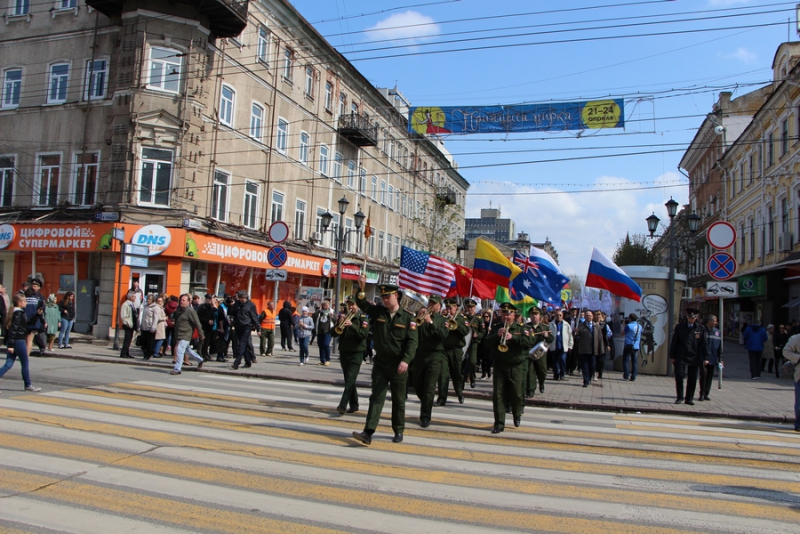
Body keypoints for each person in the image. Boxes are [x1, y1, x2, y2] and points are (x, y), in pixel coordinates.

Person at [352, 277, 418, 446]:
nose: (385, 299)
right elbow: (362, 304)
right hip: (381, 363)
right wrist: (362, 288)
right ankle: (368, 432)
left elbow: (412, 342)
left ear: (397, 296)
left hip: (398, 365)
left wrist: (406, 361)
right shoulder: (379, 312)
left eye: (388, 296)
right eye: (383, 297)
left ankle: (398, 429)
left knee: (398, 400)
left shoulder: (408, 318)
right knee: (376, 398)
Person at [487, 302, 535, 433]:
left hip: (516, 366)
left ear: (514, 315)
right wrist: (497, 336)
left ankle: (517, 413)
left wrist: (512, 337)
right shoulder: (496, 327)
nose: (506, 316)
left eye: (509, 314)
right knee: (498, 396)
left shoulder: (522, 328)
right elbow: (486, 343)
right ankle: (499, 423)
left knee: (516, 394)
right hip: (500, 365)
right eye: (504, 313)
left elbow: (530, 341)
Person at [411, 295, 449, 427]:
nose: (431, 305)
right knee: (417, 384)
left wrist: (430, 322)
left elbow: (444, 335)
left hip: (435, 356)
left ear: (439, 306)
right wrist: (417, 316)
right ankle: (427, 401)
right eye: (430, 303)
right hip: (420, 355)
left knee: (429, 387)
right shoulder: (420, 315)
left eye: (434, 303)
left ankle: (425, 416)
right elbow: (412, 330)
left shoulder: (442, 320)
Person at [331, 295, 369, 414]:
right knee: (349, 380)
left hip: (356, 353)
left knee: (350, 380)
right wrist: (338, 323)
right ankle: (354, 404)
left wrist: (351, 325)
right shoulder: (343, 317)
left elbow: (363, 334)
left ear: (358, 305)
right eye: (349, 304)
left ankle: (342, 405)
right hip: (344, 352)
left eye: (353, 304)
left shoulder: (363, 318)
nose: (351, 307)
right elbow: (333, 334)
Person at [0, 293, 42, 392]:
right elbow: (13, 330)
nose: (26, 303)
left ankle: (28, 385)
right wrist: (10, 345)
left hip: (15, 341)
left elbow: (27, 325)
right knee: (25, 363)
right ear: (19, 303)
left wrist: (37, 315)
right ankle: (28, 385)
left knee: (8, 364)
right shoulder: (18, 313)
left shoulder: (16, 312)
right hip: (18, 341)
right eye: (25, 301)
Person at [669, 307, 707, 405]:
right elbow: (674, 342)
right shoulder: (680, 327)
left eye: (693, 317)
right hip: (681, 355)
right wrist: (672, 356)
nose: (691, 319)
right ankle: (679, 397)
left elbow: (704, 344)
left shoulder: (700, 328)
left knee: (693, 378)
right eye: (690, 317)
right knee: (679, 376)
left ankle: (689, 398)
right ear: (687, 316)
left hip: (694, 356)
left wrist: (706, 357)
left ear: (696, 317)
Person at [437, 298, 470, 406]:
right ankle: (442, 398)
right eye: (447, 307)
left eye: (450, 307)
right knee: (443, 374)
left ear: (456, 307)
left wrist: (455, 324)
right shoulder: (442, 318)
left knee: (456, 374)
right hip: (444, 350)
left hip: (456, 350)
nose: (448, 310)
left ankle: (459, 393)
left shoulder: (462, 319)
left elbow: (465, 331)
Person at [170, 294, 204, 375]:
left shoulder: (190, 311)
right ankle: (200, 360)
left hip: (186, 334)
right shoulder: (180, 310)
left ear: (189, 302)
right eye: (181, 300)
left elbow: (197, 323)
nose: (181, 302)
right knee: (187, 351)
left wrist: (201, 334)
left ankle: (177, 369)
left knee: (179, 350)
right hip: (179, 334)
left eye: (183, 300)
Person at [574, 310, 606, 388]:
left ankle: (590, 377)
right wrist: (575, 332)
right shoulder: (581, 326)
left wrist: (601, 349)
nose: (588, 317)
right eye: (587, 315)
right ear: (584, 317)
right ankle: (586, 380)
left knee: (592, 366)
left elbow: (600, 338)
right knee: (584, 366)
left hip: (593, 350)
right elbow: (576, 336)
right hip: (584, 349)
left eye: (590, 315)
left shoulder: (596, 326)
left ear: (592, 316)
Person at [230, 290, 260, 370]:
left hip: (247, 326)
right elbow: (233, 313)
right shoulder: (237, 304)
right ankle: (248, 362)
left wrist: (258, 328)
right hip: (238, 326)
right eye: (240, 298)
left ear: (246, 298)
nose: (242, 299)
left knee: (241, 345)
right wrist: (232, 319)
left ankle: (237, 362)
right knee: (244, 345)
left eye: (243, 298)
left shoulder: (251, 305)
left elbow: (254, 317)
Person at [526, 307, 552, 396]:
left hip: (540, 354)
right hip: (530, 353)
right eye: (532, 314)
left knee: (542, 371)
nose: (534, 316)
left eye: (536, 314)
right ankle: (530, 390)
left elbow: (551, 339)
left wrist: (547, 336)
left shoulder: (544, 327)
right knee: (530, 372)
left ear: (539, 316)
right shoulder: (526, 327)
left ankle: (541, 383)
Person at [462, 299, 485, 389]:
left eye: (472, 307)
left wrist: (477, 335)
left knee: (472, 362)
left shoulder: (479, 319)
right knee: (462, 362)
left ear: (475, 308)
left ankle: (472, 378)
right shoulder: (464, 318)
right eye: (468, 307)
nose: (470, 308)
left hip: (473, 343)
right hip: (464, 342)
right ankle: (463, 381)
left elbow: (483, 331)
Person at [780, 332, 800, 432]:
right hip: (799, 375)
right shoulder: (796, 338)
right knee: (799, 402)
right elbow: (786, 351)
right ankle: (799, 423)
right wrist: (798, 358)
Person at [699, 314, 722, 401]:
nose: (716, 322)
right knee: (703, 375)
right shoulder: (702, 330)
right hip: (703, 358)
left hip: (713, 358)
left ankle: (706, 393)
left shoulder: (717, 332)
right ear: (709, 321)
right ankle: (701, 393)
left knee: (710, 377)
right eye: (714, 321)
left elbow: (719, 346)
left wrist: (720, 358)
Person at [24, 278, 46, 357]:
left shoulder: (40, 297)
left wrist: (43, 321)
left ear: (39, 287)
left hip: (35, 320)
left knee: (30, 339)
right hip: (25, 319)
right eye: (33, 285)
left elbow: (42, 310)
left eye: (36, 285)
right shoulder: (26, 294)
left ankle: (26, 355)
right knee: (25, 339)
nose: (34, 286)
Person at [549, 308, 573, 381]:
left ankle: (562, 374)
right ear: (555, 316)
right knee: (555, 361)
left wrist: (570, 345)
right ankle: (556, 375)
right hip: (554, 346)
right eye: (557, 315)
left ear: (563, 316)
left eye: (560, 315)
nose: (559, 316)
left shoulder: (566, 325)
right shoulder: (551, 324)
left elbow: (570, 335)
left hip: (563, 346)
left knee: (563, 359)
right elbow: (548, 335)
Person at [196, 294, 217, 362]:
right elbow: (199, 317)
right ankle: (200, 353)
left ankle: (205, 353)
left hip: (209, 327)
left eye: (211, 299)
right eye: (209, 299)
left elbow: (215, 309)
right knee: (202, 341)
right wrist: (207, 321)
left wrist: (213, 302)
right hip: (203, 326)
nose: (210, 300)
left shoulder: (210, 307)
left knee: (207, 341)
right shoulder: (202, 307)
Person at [622, 313, 643, 381]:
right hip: (636, 346)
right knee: (634, 362)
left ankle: (626, 375)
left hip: (628, 345)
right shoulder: (639, 326)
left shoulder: (628, 326)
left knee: (626, 361)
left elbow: (622, 333)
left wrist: (624, 325)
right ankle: (633, 376)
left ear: (630, 318)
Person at [312, 300, 333, 366]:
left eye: (327, 305)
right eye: (325, 305)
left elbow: (335, 320)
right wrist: (319, 310)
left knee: (326, 345)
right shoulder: (319, 313)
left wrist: (332, 316)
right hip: (320, 331)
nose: (326, 307)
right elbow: (314, 316)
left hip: (328, 331)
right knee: (320, 346)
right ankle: (322, 360)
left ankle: (327, 359)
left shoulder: (331, 312)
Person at [139, 295, 160, 360]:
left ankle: (147, 355)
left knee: (149, 342)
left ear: (153, 300)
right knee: (143, 342)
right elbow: (143, 317)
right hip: (144, 326)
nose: (148, 300)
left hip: (150, 326)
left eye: (150, 299)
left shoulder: (155, 307)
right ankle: (146, 353)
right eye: (148, 299)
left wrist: (153, 327)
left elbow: (156, 318)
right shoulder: (146, 306)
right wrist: (141, 325)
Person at [118, 291, 138, 359]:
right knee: (127, 339)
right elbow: (123, 316)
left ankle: (127, 352)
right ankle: (123, 353)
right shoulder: (125, 304)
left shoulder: (132, 304)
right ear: (131, 297)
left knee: (129, 339)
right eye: (134, 297)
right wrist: (126, 323)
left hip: (132, 324)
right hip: (128, 324)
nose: (135, 298)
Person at [565, 307, 581, 375]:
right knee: (569, 354)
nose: (574, 313)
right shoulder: (567, 320)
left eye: (575, 312)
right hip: (568, 338)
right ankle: (567, 368)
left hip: (576, 339)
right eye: (573, 311)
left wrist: (578, 331)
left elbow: (581, 330)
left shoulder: (578, 320)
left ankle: (572, 369)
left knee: (575, 355)